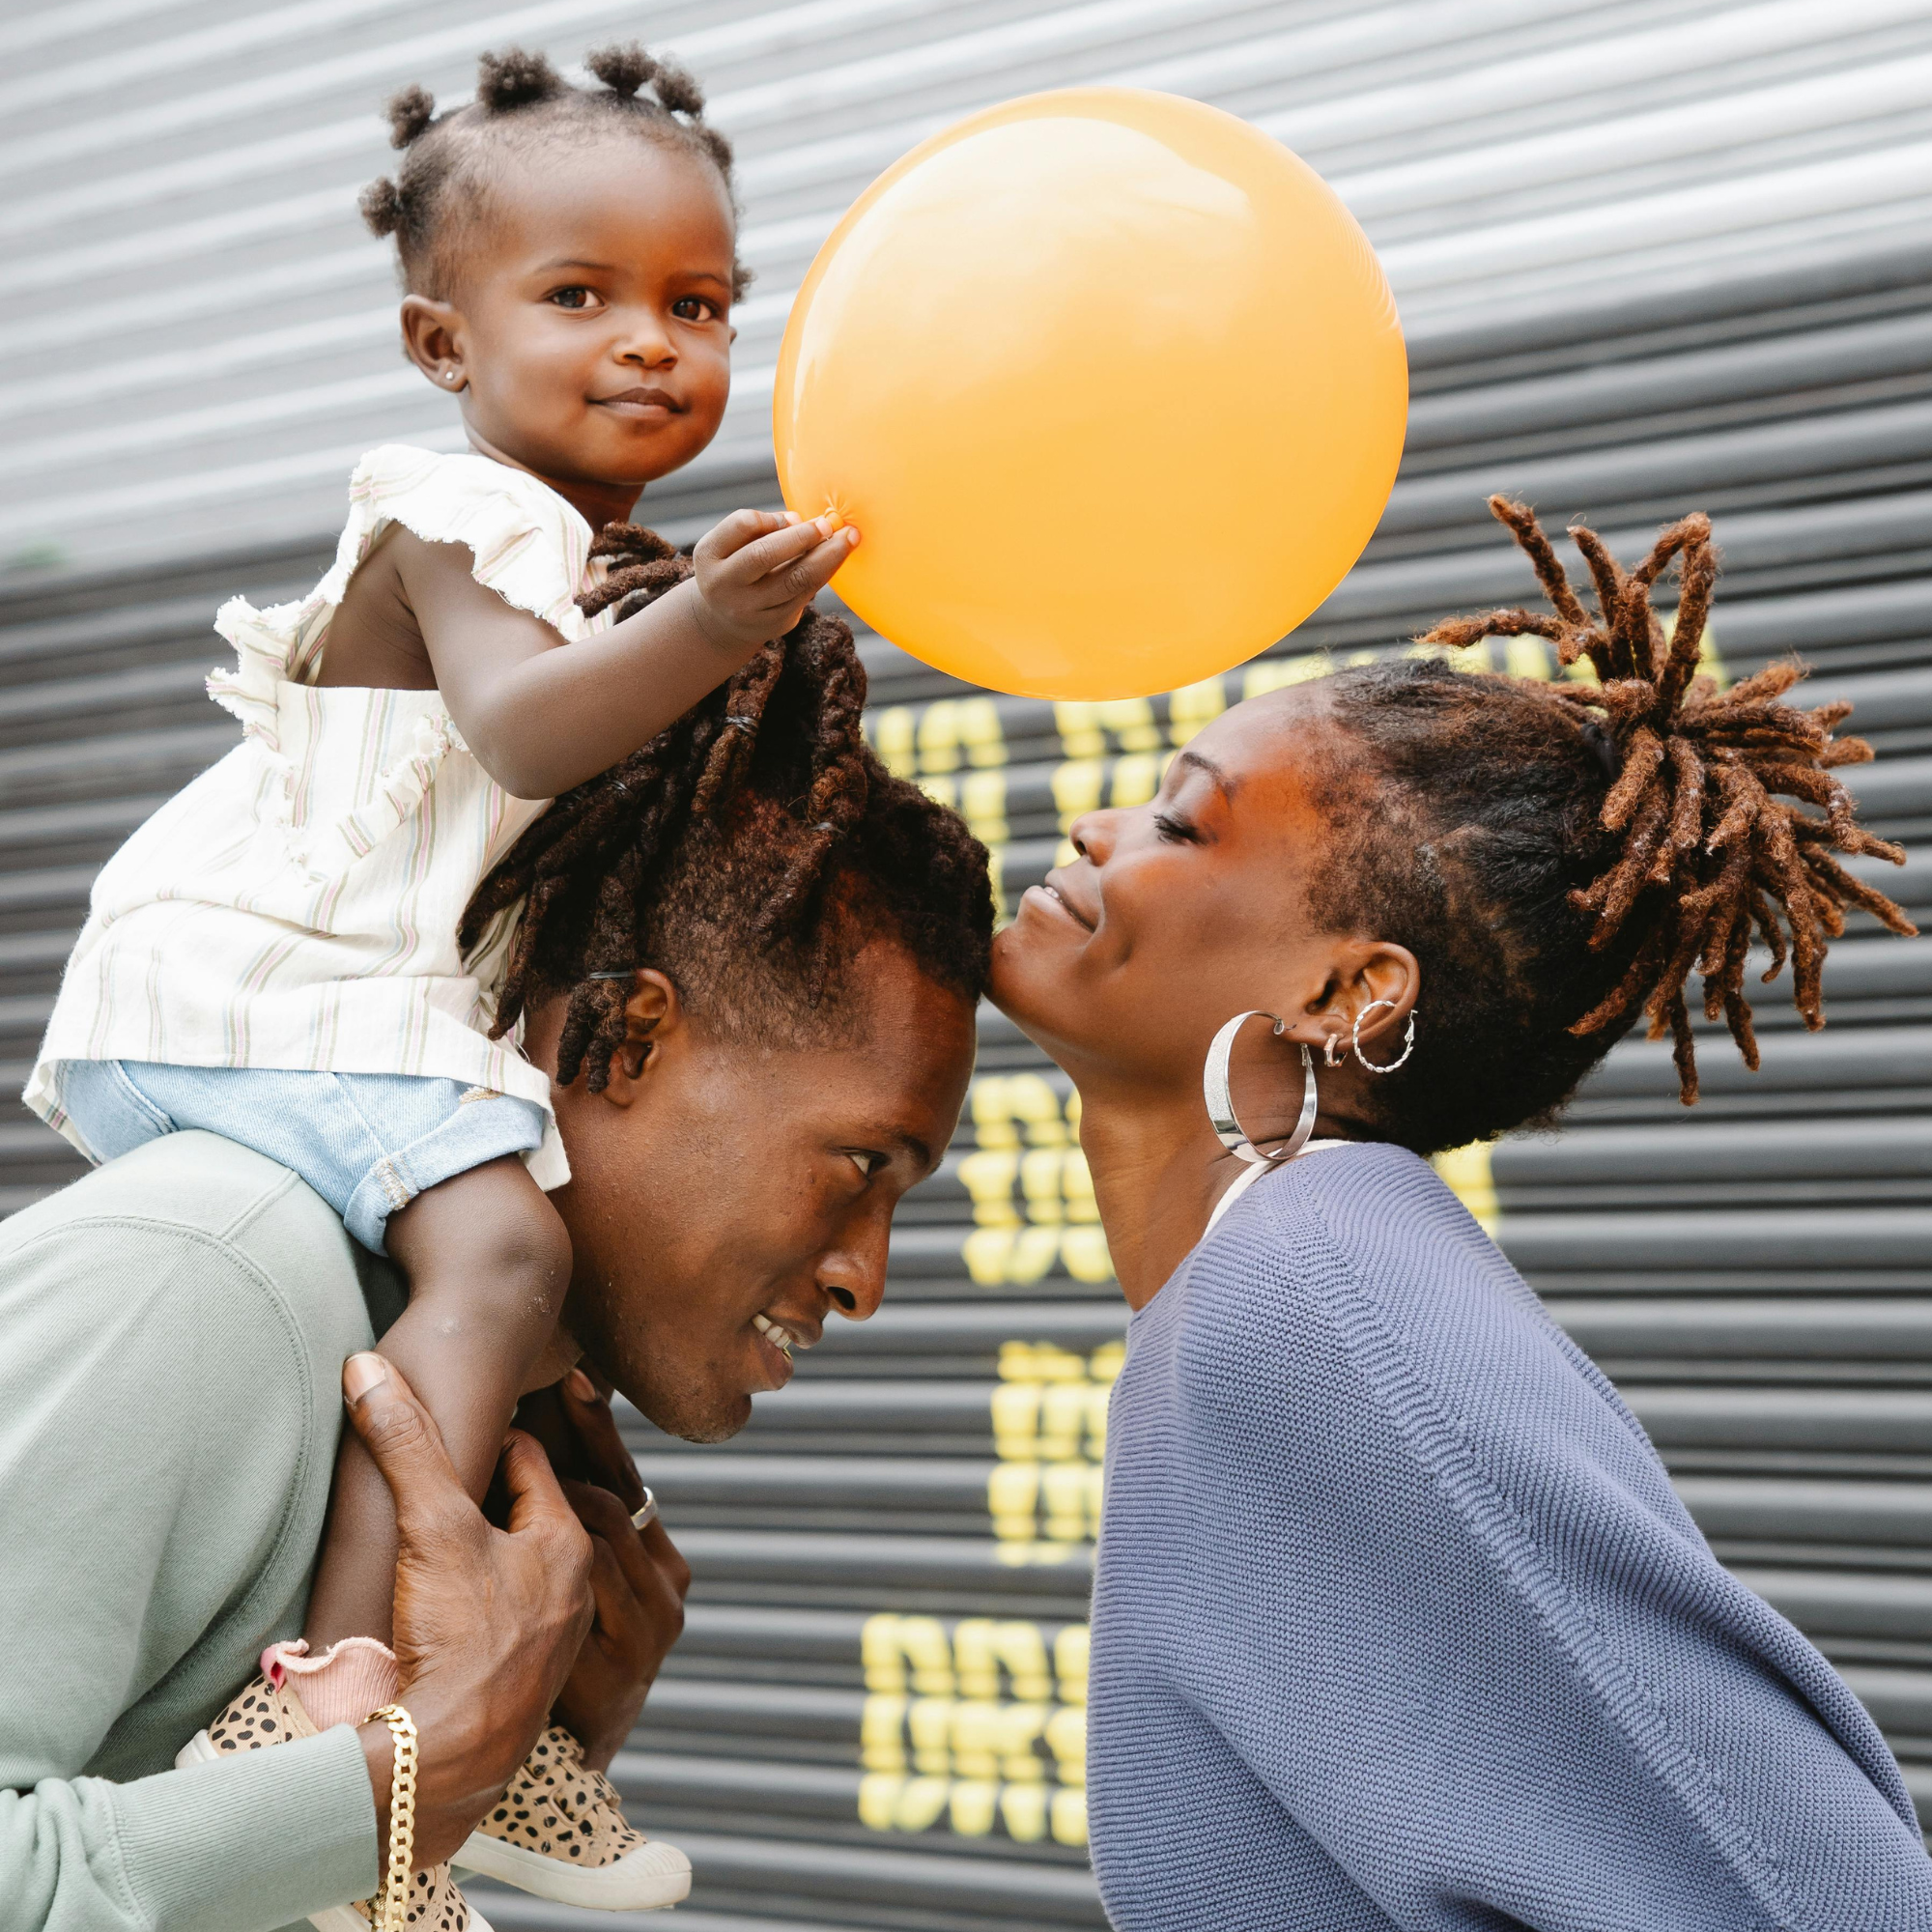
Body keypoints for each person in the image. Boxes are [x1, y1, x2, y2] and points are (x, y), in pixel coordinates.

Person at [18, 39, 868, 1908]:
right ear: (441, 343)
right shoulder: (454, 513)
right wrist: (717, 627)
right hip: (267, 982)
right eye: (581, 297)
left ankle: (508, 1743)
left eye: (697, 303)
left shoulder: (578, 555)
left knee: (537, 1362)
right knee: (502, 1255)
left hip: (355, 993)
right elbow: (529, 734)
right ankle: (339, 1718)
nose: (652, 341)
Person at [0, 504, 992, 1927]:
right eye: (862, 1169)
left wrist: (514, 1749)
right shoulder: (208, 1283)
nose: (867, 1279)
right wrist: (411, 1777)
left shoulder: (440, 1376)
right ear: (630, 1041)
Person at [990, 499, 1932, 1930]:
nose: (1095, 823)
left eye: (1180, 819)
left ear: (1348, 992)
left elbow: (1806, 1887)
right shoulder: (1260, 1289)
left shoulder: (1317, 1290)